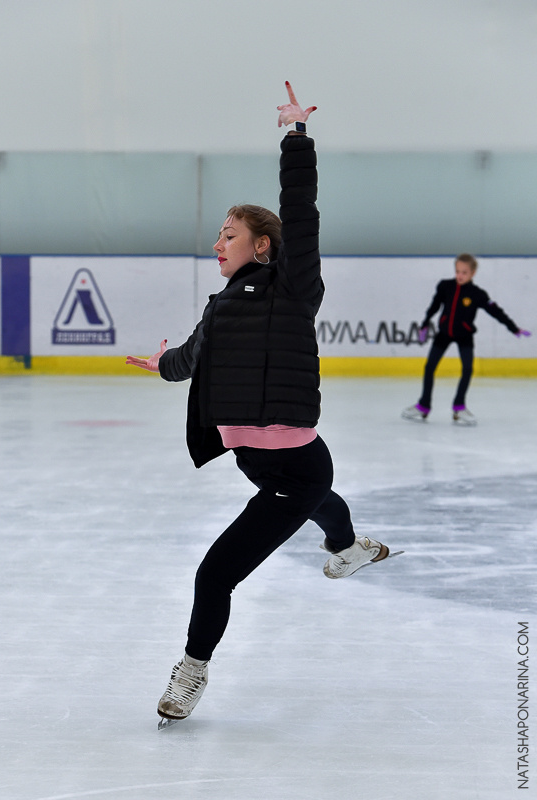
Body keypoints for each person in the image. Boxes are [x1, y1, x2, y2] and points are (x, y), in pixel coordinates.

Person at [126, 82, 392, 725]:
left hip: (293, 467)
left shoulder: (295, 289)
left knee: (215, 574)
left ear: (262, 245)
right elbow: (189, 361)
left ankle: (190, 675)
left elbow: (300, 212)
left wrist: (296, 139)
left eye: (229, 234)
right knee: (318, 504)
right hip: (261, 464)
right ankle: (348, 548)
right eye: (216, 235)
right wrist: (161, 363)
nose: (218, 243)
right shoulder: (220, 311)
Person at [402, 253, 531, 426]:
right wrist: (425, 323)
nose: (460, 276)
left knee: (468, 369)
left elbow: (496, 312)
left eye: (464, 272)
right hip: (444, 334)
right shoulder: (445, 286)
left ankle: (459, 406)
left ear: (473, 273)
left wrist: (513, 328)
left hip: (465, 336)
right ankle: (423, 406)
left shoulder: (477, 294)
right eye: (457, 271)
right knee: (429, 367)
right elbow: (434, 306)